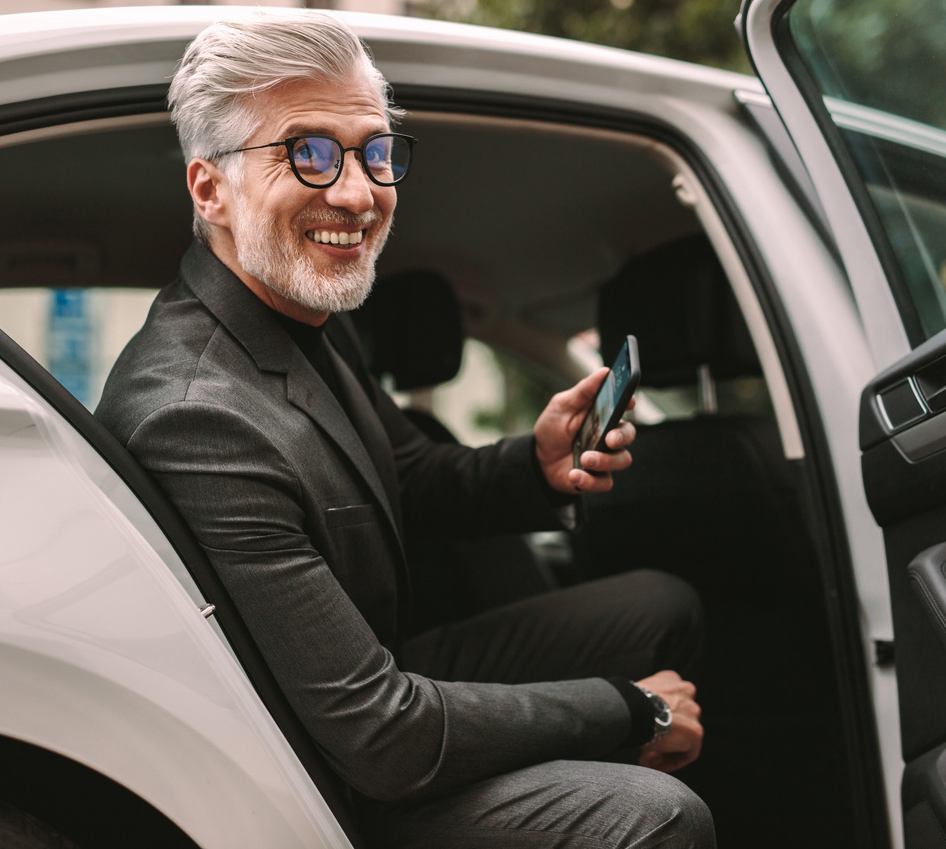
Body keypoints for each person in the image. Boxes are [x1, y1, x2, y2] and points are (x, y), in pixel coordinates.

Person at [95, 11, 712, 848]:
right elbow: (382, 737)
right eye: (307, 152)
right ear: (211, 190)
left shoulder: (304, 310)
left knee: (660, 601)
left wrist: (533, 467)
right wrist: (630, 707)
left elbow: (404, 477)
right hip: (321, 778)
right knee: (658, 818)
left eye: (374, 151)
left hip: (370, 695)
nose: (356, 192)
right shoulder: (195, 414)